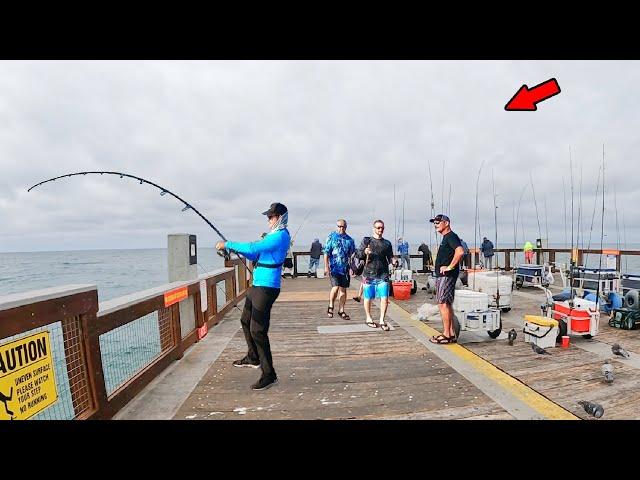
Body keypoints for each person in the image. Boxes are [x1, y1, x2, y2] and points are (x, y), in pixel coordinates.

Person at [215, 202, 290, 391]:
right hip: (257, 284)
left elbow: (253, 248)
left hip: (267, 287)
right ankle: (253, 357)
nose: (268, 219)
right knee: (245, 319)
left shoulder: (280, 236)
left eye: (271, 216)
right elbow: (254, 252)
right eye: (268, 216)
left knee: (258, 330)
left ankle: (269, 374)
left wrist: (228, 244)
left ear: (280, 218)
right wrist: (235, 249)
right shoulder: (272, 236)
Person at [356, 220, 398, 331]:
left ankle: (382, 320)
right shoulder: (367, 240)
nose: (380, 230)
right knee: (368, 298)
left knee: (384, 298)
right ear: (374, 228)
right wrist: (365, 252)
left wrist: (393, 261)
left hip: (383, 274)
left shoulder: (387, 243)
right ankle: (368, 318)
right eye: (378, 227)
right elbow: (358, 254)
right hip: (368, 274)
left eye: (382, 228)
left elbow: (390, 257)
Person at [429, 214, 464, 344]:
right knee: (446, 303)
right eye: (434, 222)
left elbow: (460, 252)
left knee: (443, 303)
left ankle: (447, 334)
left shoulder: (451, 236)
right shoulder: (446, 238)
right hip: (444, 275)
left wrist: (450, 267)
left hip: (446, 276)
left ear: (447, 223)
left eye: (438, 222)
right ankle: (449, 333)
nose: (436, 224)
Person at [324, 219, 356, 320]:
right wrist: (326, 266)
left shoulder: (350, 240)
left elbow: (352, 254)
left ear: (346, 227)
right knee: (335, 287)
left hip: (345, 269)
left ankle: (341, 310)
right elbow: (326, 253)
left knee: (343, 290)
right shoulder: (331, 237)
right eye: (339, 226)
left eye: (343, 227)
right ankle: (331, 305)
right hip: (334, 268)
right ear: (336, 226)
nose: (340, 228)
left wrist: (352, 267)